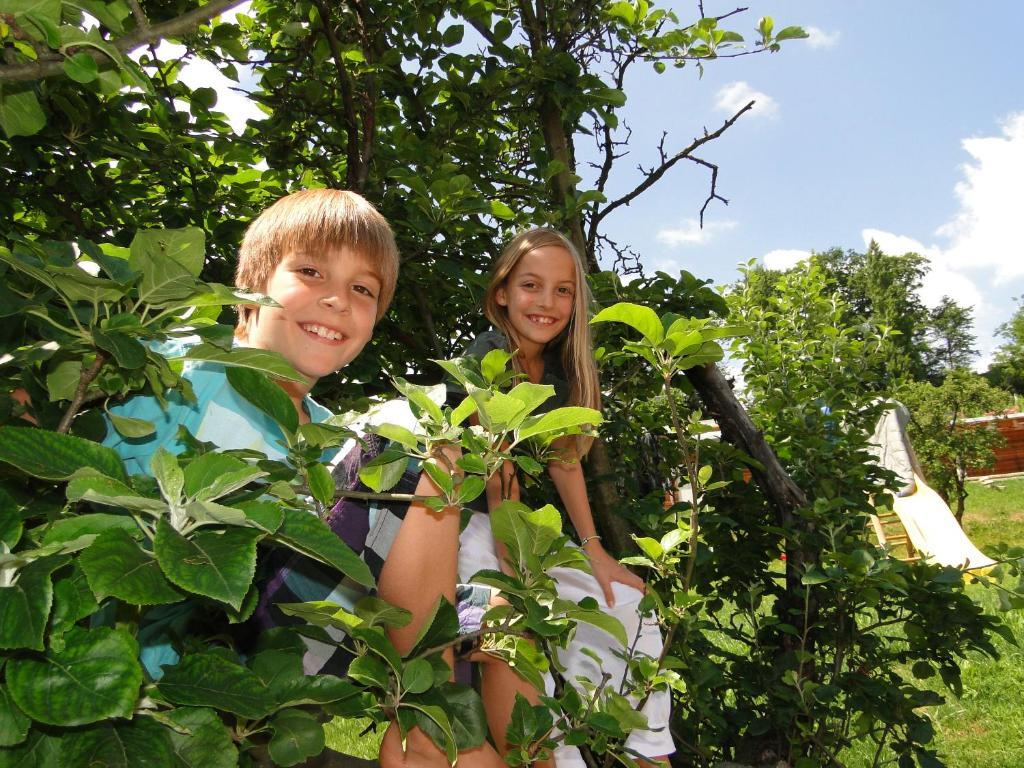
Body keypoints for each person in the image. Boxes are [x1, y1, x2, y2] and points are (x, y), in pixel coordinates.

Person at [100, 189, 503, 768]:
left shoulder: (321, 434)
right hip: (189, 643)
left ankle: (462, 735)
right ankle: (426, 728)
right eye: (311, 271)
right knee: (413, 443)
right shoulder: (180, 367)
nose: (337, 300)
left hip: (262, 663)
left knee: (491, 608)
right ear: (253, 285)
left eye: (363, 290)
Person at [456, 227, 675, 767]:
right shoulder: (488, 359)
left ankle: (645, 752)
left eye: (564, 290)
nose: (548, 302)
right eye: (532, 285)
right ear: (502, 292)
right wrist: (522, 582)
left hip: (517, 527)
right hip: (455, 524)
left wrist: (595, 549)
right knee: (516, 629)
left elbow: (564, 460)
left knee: (629, 608)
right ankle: (550, 756)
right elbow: (498, 481)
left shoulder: (555, 366)